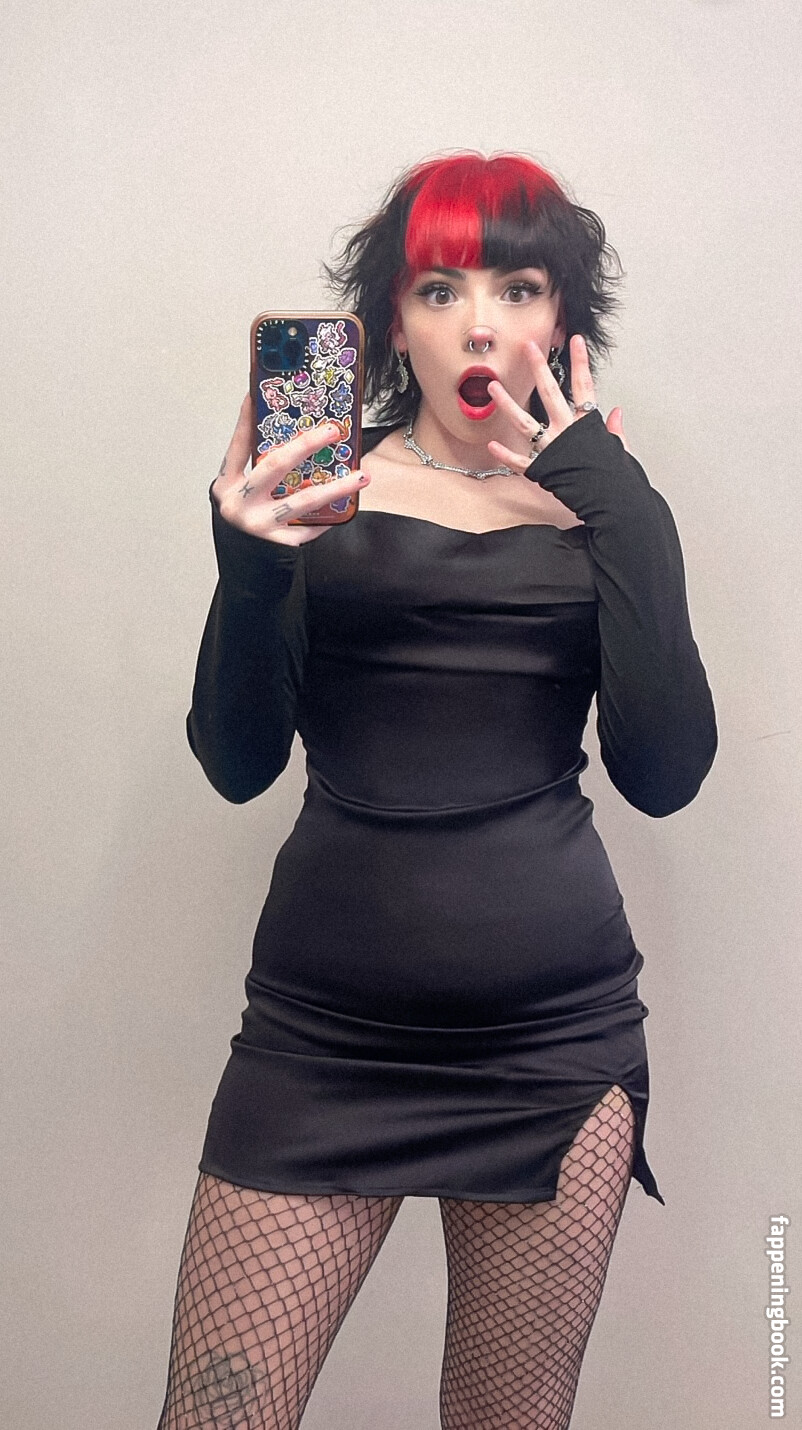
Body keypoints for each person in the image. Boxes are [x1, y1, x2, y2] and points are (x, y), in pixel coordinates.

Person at [157, 150, 718, 1429]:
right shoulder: (315, 486)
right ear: (388, 324)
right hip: (319, 1042)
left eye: (517, 288)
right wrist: (249, 567)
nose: (479, 323)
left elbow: (665, 774)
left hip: (551, 1046)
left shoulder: (606, 508)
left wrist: (618, 508)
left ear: (560, 321)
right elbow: (237, 764)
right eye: (439, 287)